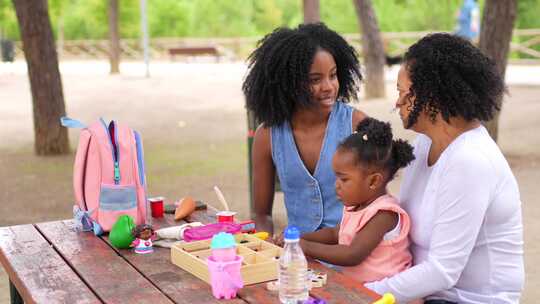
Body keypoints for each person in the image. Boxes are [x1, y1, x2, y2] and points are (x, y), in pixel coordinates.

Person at [366, 33, 524, 303]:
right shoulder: (424, 146)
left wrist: (364, 293)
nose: (397, 103)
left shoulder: (470, 160)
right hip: (429, 294)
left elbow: (442, 271)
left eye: (403, 93)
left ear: (431, 99)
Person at [242, 23, 367, 236]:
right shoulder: (267, 136)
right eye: (315, 79)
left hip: (352, 255)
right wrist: (265, 245)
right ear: (288, 82)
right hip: (298, 260)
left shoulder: (357, 125)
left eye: (333, 75)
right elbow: (261, 215)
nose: (328, 86)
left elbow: (374, 209)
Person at [298, 117, 415, 283]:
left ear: (374, 181)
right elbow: (334, 234)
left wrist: (306, 247)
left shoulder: (384, 214)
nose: (337, 186)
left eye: (344, 179)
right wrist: (296, 238)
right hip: (360, 289)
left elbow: (352, 255)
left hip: (387, 295)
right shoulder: (356, 206)